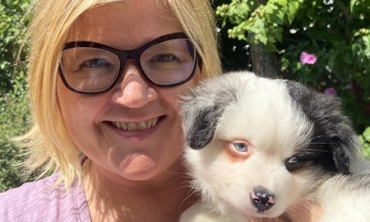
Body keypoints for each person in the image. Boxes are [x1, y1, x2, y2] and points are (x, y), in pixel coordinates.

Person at [0, 0, 322, 221]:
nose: (134, 95)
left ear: (202, 67)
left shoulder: (315, 203)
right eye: (93, 62)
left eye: (165, 57)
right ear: (49, 85)